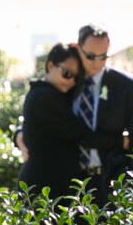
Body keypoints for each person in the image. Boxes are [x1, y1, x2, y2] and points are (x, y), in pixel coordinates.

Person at [18, 43, 127, 202]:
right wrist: (122, 141)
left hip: (51, 186)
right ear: (50, 66)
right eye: (67, 74)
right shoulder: (44, 96)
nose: (71, 82)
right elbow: (81, 135)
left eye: (77, 78)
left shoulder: (53, 94)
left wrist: (18, 134)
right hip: (43, 188)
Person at [74, 23, 133, 206]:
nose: (97, 63)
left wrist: (129, 182)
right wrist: (19, 135)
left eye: (103, 56)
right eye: (90, 56)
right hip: (68, 182)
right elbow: (38, 114)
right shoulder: (66, 81)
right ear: (78, 49)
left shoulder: (126, 86)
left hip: (110, 183)